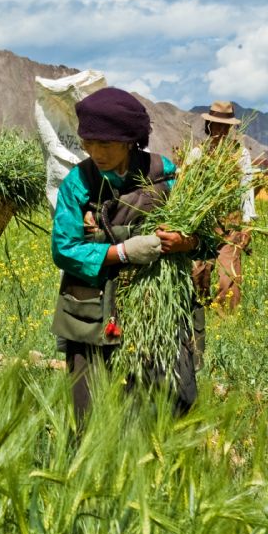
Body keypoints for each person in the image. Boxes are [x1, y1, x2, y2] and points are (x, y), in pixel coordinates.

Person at [50, 87, 197, 422]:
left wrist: (184, 242)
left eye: (105, 144)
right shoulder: (79, 183)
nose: (95, 152)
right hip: (91, 312)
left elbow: (203, 234)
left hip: (153, 308)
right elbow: (65, 249)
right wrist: (123, 252)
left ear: (131, 140)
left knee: (161, 406)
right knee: (89, 413)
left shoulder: (165, 175)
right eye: (88, 142)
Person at [187, 101, 256, 311]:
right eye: (216, 126)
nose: (220, 131)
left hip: (230, 222)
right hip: (204, 222)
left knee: (229, 276)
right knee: (199, 272)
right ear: (209, 127)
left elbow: (247, 186)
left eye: (224, 127)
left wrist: (248, 223)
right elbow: (186, 187)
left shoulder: (240, 154)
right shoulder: (198, 153)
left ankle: (227, 319)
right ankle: (201, 311)